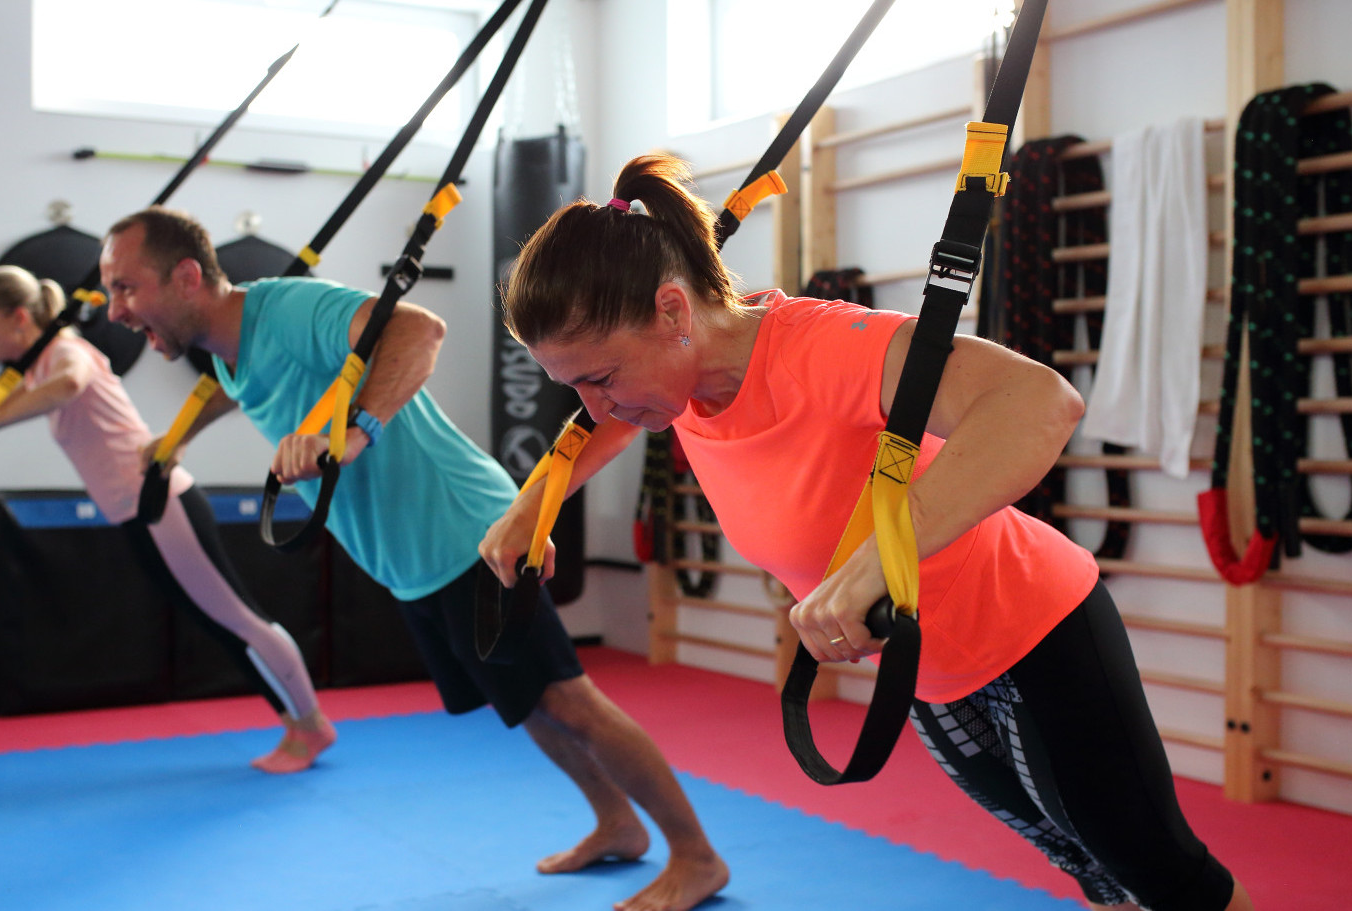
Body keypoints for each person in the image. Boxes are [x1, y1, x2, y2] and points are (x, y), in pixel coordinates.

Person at [482, 153, 1254, 911]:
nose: (596, 406)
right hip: (928, 670)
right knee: (1086, 863)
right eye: (576, 386)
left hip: (1035, 631)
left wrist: (884, 554)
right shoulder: (674, 383)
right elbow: (607, 420)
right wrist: (533, 502)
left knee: (1166, 876)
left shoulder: (823, 349)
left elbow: (1041, 401)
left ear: (674, 313)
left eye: (601, 378)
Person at [98, 206, 728, 911]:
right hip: (411, 559)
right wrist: (176, 439)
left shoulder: (285, 310)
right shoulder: (227, 350)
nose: (115, 309)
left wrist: (354, 430)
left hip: (466, 532)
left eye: (126, 287)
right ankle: (616, 822)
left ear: (187, 277)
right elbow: (236, 385)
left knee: (566, 700)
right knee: (526, 703)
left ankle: (697, 856)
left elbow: (418, 329)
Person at [0, 265, 335, 775]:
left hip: (159, 502)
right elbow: (34, 393)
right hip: (138, 511)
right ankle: (297, 724)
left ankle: (310, 725)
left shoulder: (66, 351)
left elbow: (68, 384)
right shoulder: (37, 368)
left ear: (19, 317)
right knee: (219, 623)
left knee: (237, 618)